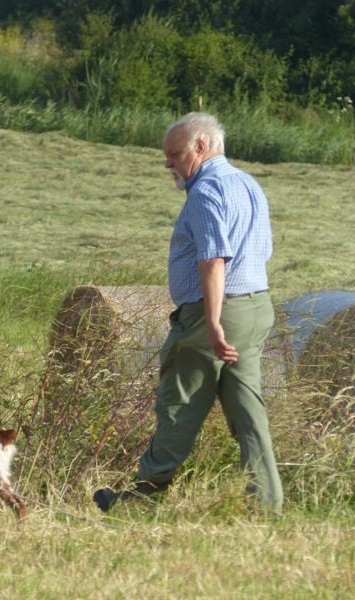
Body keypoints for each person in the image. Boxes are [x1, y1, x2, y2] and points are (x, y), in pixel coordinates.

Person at [93, 112, 283, 513]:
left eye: (175, 154)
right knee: (248, 410)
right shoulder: (248, 184)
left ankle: (142, 496)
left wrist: (212, 322)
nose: (168, 164)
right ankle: (266, 503)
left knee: (177, 402)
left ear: (201, 147)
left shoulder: (207, 191)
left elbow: (214, 260)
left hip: (212, 315)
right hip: (256, 306)